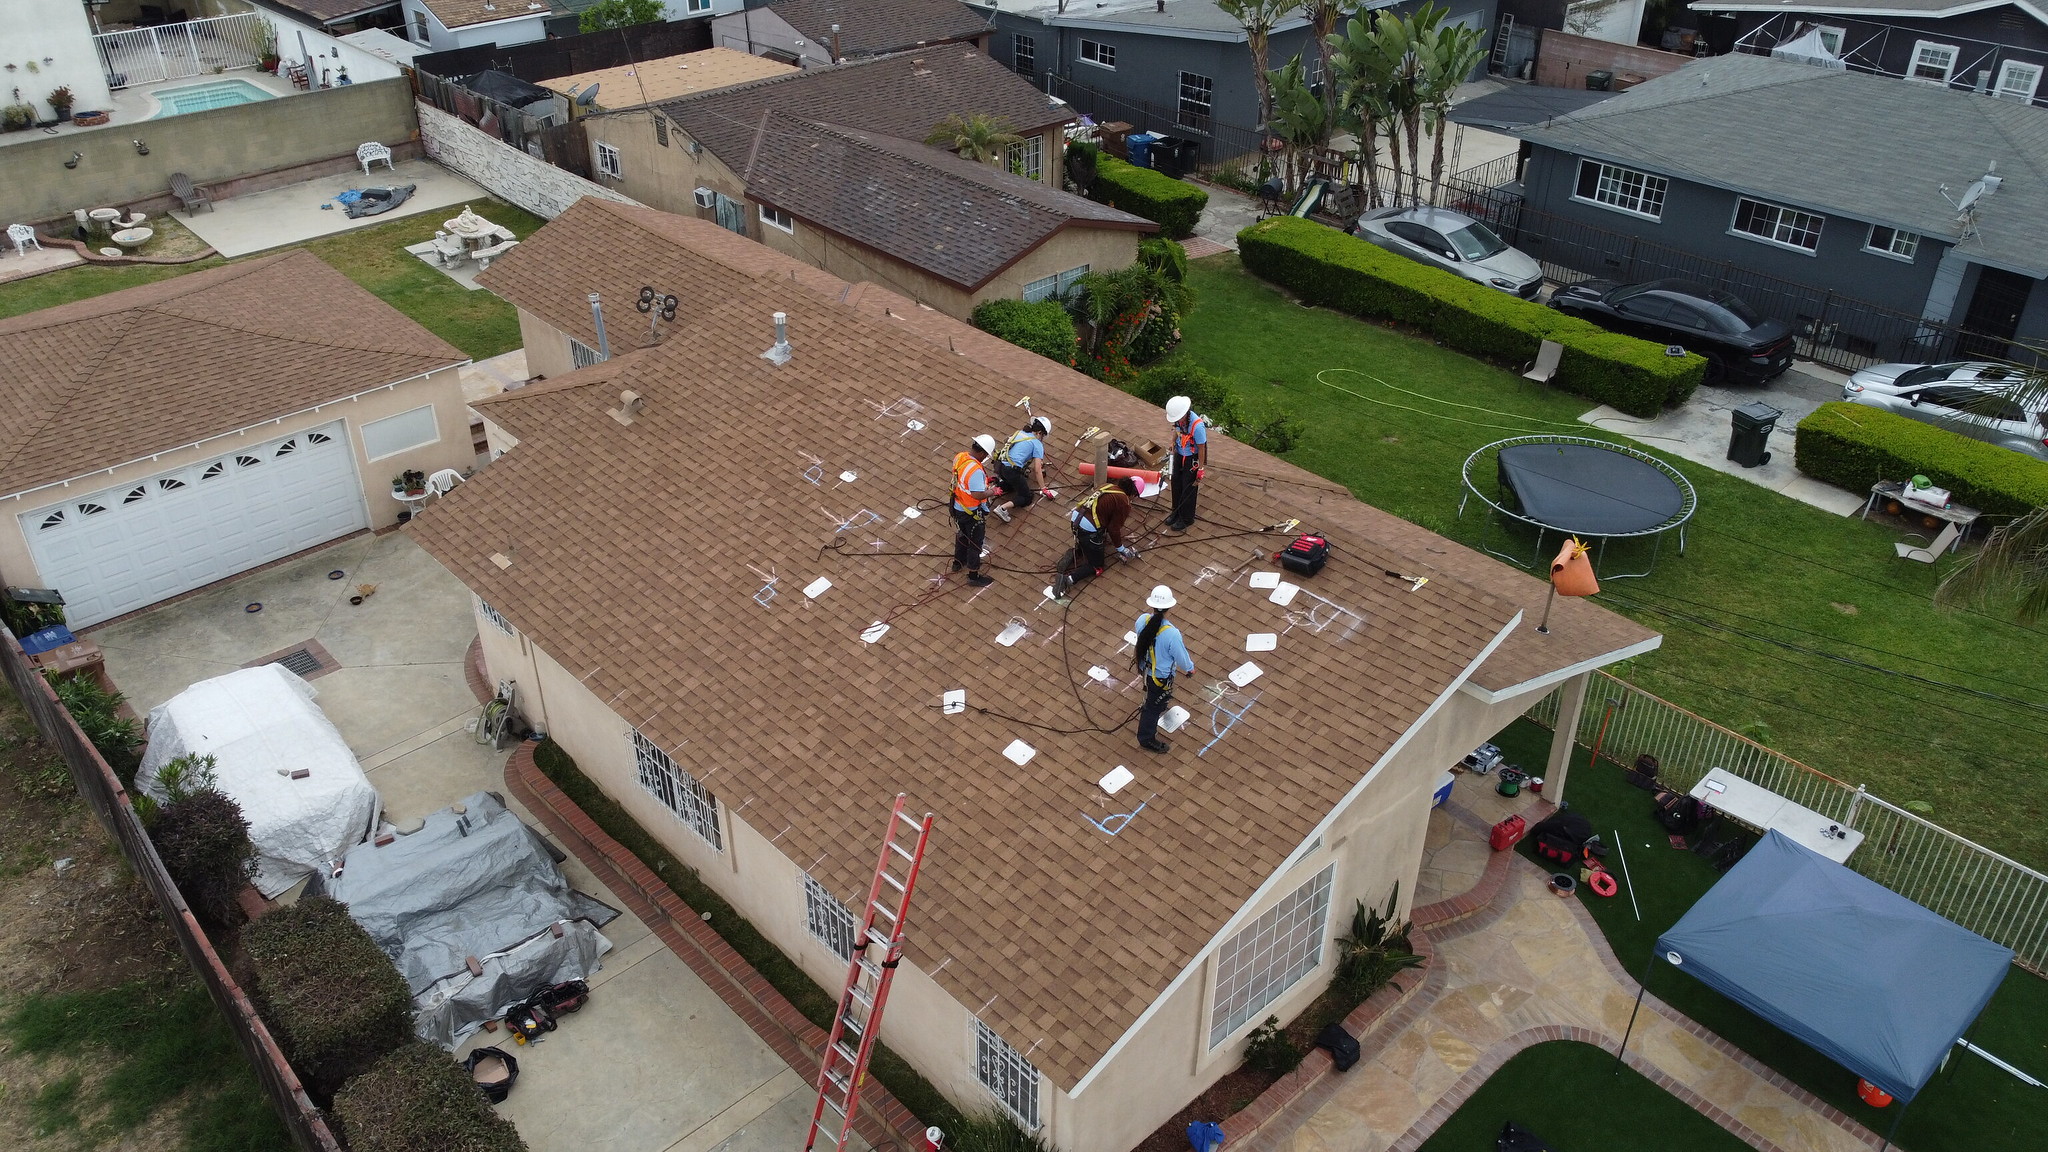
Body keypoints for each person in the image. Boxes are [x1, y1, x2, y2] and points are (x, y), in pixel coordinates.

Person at [1053, 477, 1140, 598]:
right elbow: (1113, 529)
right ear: (1133, 494)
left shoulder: (1108, 486)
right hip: (1088, 530)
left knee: (1091, 543)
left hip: (1076, 520)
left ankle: (1077, 553)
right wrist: (1121, 549)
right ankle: (1068, 579)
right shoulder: (1124, 501)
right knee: (1097, 564)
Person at [1132, 585, 1194, 753]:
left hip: (1146, 670)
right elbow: (1181, 657)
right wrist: (1189, 669)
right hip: (1159, 677)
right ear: (1170, 607)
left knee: (1153, 700)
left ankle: (1156, 703)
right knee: (1152, 708)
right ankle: (1146, 739)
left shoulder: (1142, 620)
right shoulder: (1171, 634)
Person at [951, 435, 997, 587]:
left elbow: (963, 479)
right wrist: (992, 492)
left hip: (957, 506)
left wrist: (984, 482)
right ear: (983, 453)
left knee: (962, 534)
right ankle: (973, 575)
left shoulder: (960, 457)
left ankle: (958, 562)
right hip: (971, 512)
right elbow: (977, 494)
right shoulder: (976, 470)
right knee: (975, 543)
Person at [988, 416, 1053, 523]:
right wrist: (1044, 488)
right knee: (1026, 496)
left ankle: (991, 491)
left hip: (999, 466)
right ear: (1040, 432)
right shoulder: (1037, 444)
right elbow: (1037, 469)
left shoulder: (1020, 433)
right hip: (1011, 471)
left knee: (1011, 484)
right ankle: (1003, 508)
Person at [1164, 395, 1207, 532]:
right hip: (1179, 453)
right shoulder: (1179, 421)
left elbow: (1201, 448)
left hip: (1192, 458)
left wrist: (1200, 468)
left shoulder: (1197, 426)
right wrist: (1172, 442)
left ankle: (1186, 518)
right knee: (1176, 482)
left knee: (1188, 486)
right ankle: (1176, 511)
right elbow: (1176, 431)